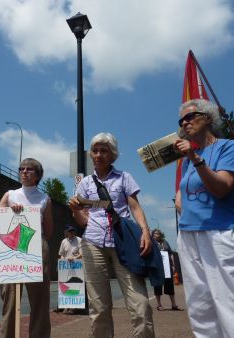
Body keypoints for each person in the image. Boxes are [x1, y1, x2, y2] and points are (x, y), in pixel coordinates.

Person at [173, 99, 234, 337]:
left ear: (208, 118)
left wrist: (196, 160)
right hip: (190, 233)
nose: (184, 123)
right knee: (201, 305)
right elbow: (181, 195)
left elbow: (222, 188)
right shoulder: (189, 156)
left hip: (221, 230)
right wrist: (181, 200)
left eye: (190, 117)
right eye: (181, 120)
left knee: (233, 301)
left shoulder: (229, 147)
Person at [68, 132, 154, 338]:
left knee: (140, 304)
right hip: (92, 243)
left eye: (104, 150)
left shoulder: (125, 177)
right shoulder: (85, 183)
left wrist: (145, 231)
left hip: (123, 242)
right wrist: (75, 210)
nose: (98, 154)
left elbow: (135, 207)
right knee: (99, 308)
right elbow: (82, 221)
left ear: (112, 154)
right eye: (95, 150)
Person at [0, 158, 54, 338]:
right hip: (10, 249)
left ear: (38, 175)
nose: (24, 171)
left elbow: (48, 231)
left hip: (36, 247)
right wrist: (10, 212)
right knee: (10, 300)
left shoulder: (45, 199)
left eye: (30, 169)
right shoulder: (9, 195)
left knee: (40, 302)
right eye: (21, 168)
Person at [150, 229, 182, 311]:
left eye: (159, 233)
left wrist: (173, 264)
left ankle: (174, 305)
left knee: (170, 286)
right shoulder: (151, 243)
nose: (158, 235)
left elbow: (170, 253)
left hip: (167, 267)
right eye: (156, 233)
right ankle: (159, 305)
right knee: (158, 286)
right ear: (153, 235)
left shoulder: (165, 242)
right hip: (157, 268)